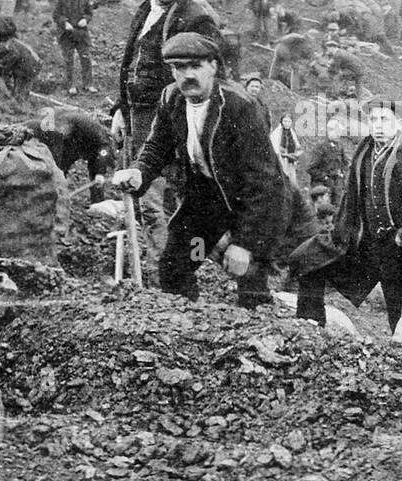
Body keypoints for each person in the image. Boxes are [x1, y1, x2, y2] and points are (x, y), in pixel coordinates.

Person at [111, 33, 315, 309]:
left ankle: (257, 337)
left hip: (255, 203)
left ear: (214, 67)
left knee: (250, 278)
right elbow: (157, 145)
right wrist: (139, 172)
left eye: (195, 67)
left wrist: (245, 244)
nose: (186, 76)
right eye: (178, 68)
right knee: (176, 264)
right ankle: (188, 328)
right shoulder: (171, 98)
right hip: (208, 202)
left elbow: (264, 183)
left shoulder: (239, 106)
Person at [111, 0, 222, 287]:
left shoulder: (195, 16)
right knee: (142, 194)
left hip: (172, 120)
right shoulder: (145, 9)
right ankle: (155, 269)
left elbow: (211, 76)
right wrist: (121, 108)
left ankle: (173, 275)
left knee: (166, 198)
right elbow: (131, 63)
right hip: (137, 116)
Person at [292, 97, 402, 331]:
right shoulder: (363, 155)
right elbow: (350, 198)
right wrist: (340, 233)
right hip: (369, 246)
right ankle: (310, 328)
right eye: (373, 119)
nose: (378, 126)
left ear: (399, 123)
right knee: (308, 259)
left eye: (385, 119)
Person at [52, 0, 96, 94]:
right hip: (66, 34)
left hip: (81, 34)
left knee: (85, 58)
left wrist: (85, 20)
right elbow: (56, 15)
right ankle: (70, 85)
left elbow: (89, 13)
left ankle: (88, 84)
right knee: (68, 60)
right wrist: (64, 22)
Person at [305, 115, 349, 205]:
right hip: (322, 186)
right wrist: (325, 177)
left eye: (340, 132)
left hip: (336, 185)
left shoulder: (339, 146)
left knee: (337, 209)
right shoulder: (320, 147)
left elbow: (345, 163)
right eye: (337, 132)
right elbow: (311, 168)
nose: (339, 135)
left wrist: (342, 174)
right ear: (329, 131)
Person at [270, 113, 302, 186]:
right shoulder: (277, 133)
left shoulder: (292, 133)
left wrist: (295, 154)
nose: (287, 124)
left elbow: (297, 145)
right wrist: (283, 155)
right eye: (285, 121)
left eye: (289, 122)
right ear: (281, 122)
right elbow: (275, 148)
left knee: (291, 180)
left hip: (290, 161)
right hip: (281, 160)